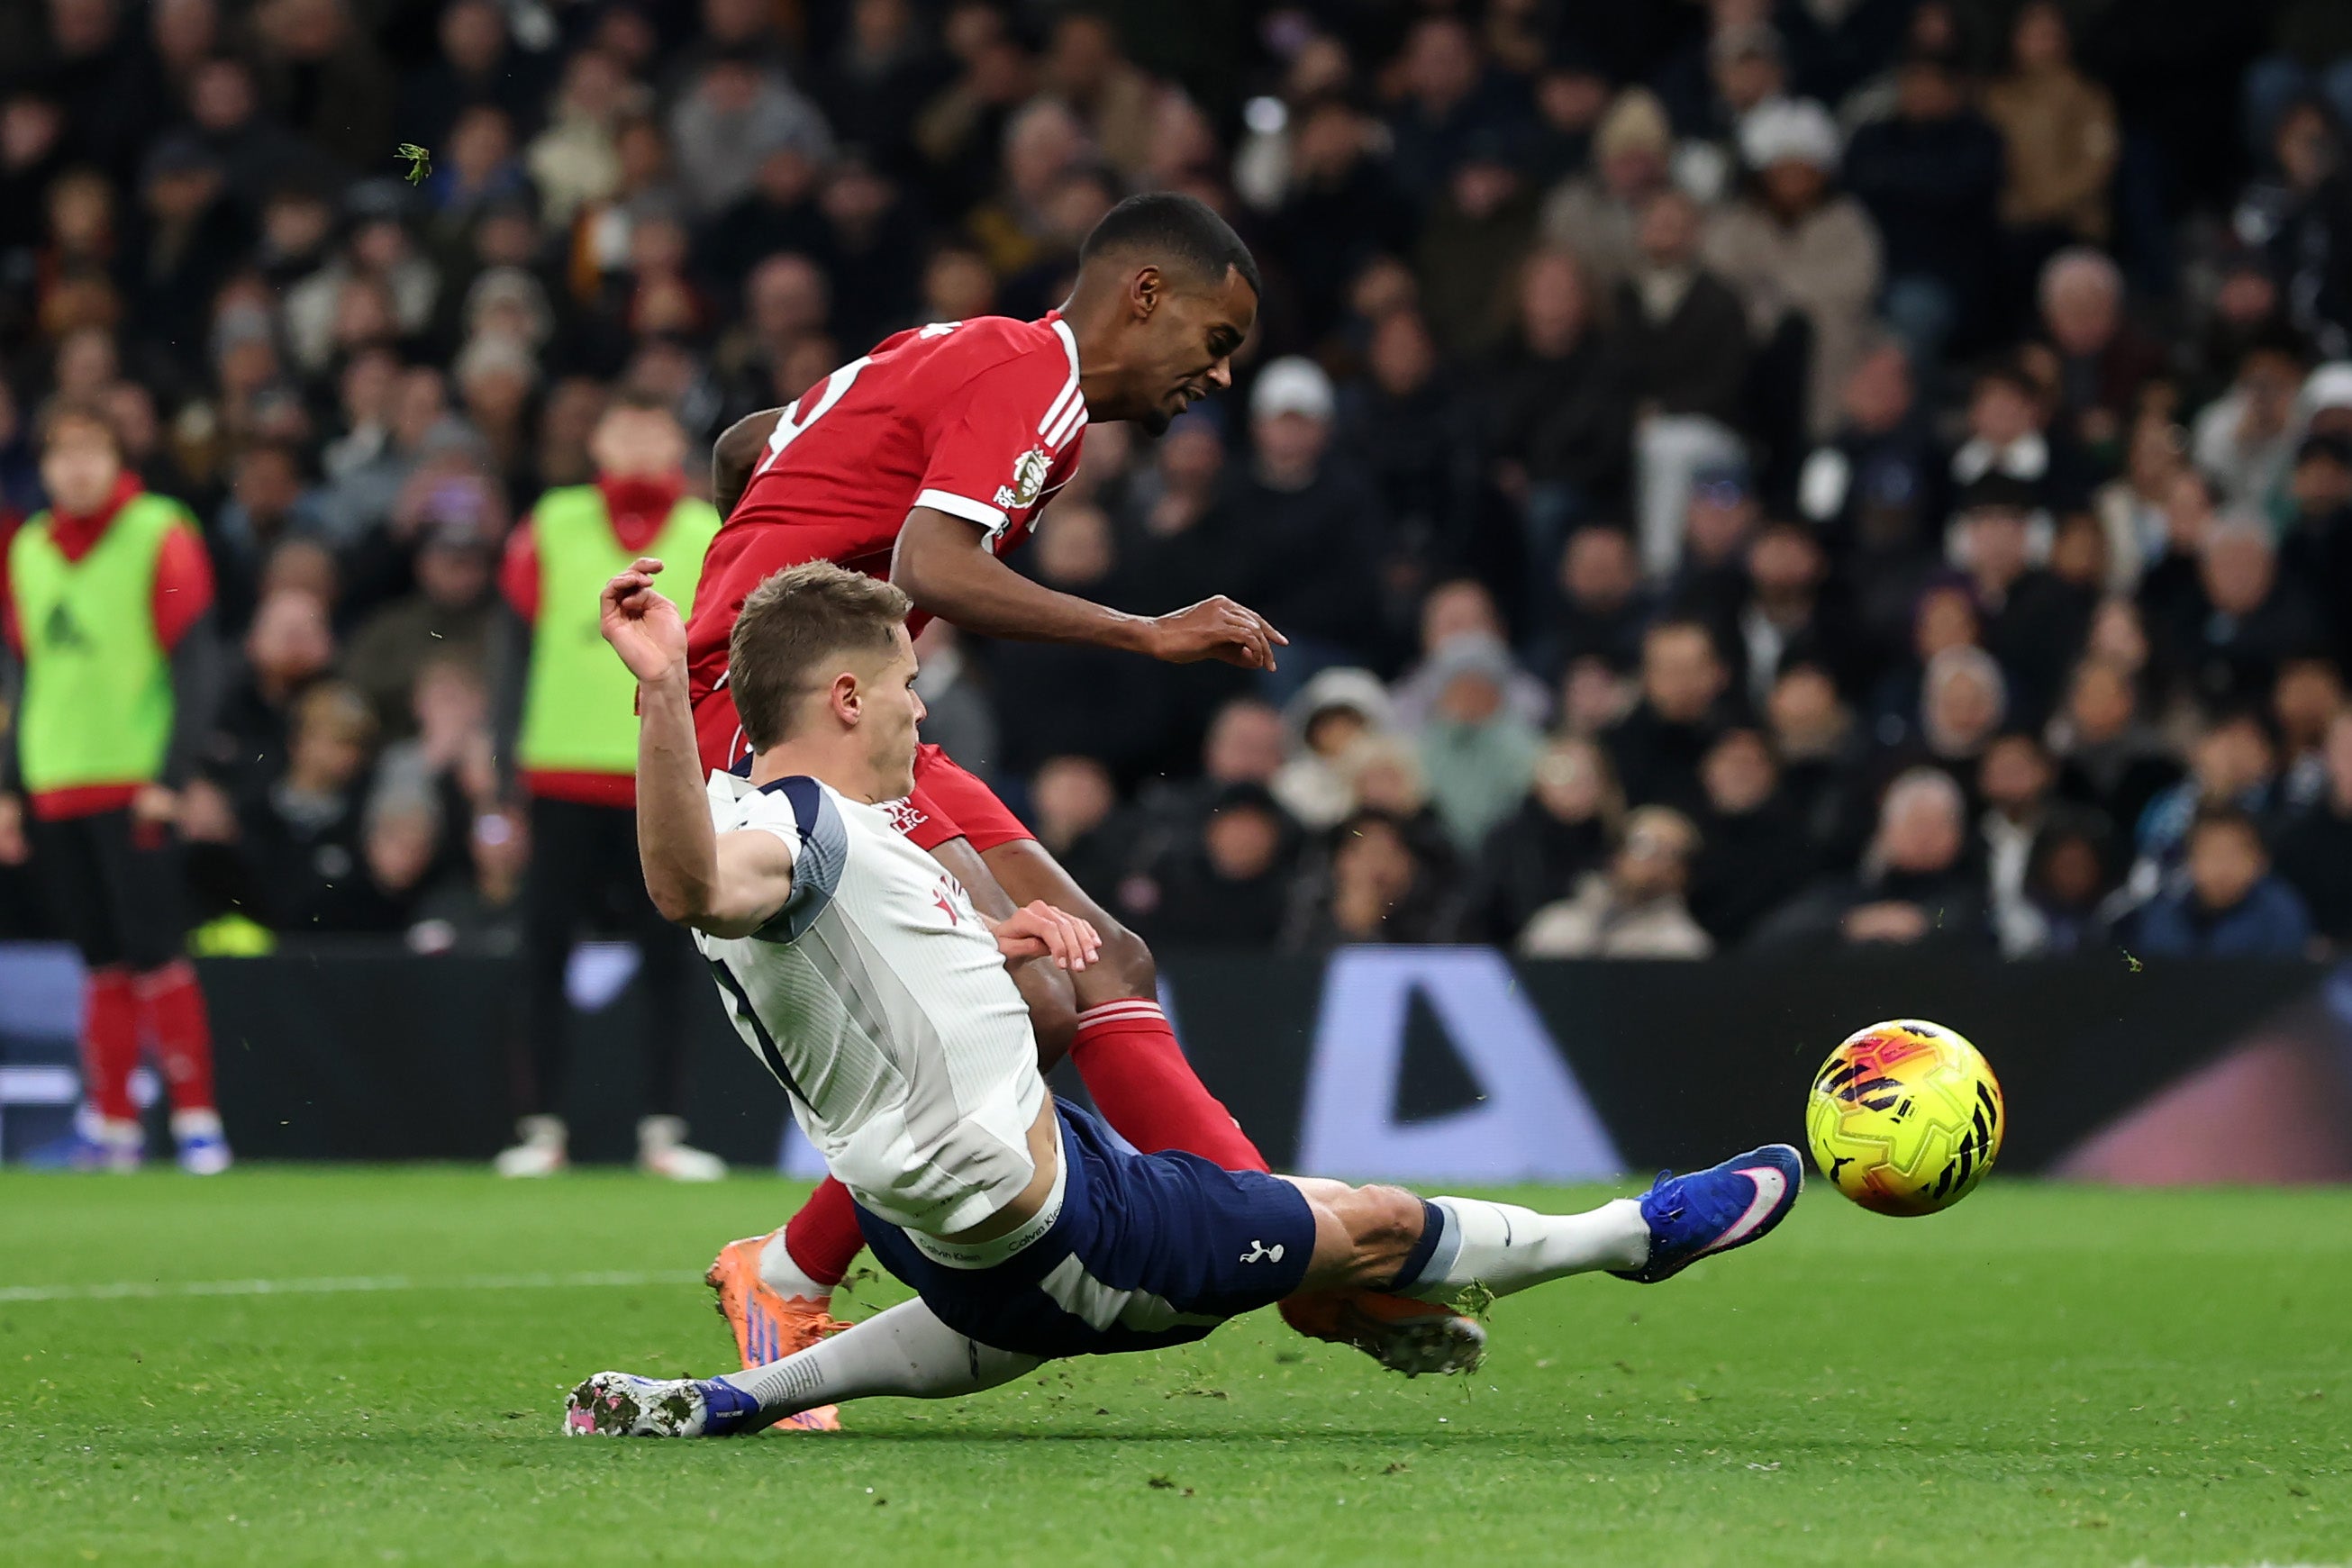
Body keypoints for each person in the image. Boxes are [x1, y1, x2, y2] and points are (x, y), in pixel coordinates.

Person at [564, 557, 1802, 1437]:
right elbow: (691, 888)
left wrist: (993, 939)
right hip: (1065, 1231)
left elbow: (834, 962)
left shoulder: (799, 819)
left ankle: (734, 1398)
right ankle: (1628, 1240)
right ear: (842, 699)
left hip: (947, 1217)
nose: (916, 704)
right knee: (1362, 1227)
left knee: (1044, 1299)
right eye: (899, 685)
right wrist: (664, 687)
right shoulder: (792, 825)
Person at [683, 195, 1442, 1401]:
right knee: (1026, 994)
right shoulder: (1033, 374)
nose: (1217, 376)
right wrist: (1145, 632)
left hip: (855, 706)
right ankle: (787, 1266)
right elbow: (933, 563)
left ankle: (1296, 1255)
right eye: (1214, 340)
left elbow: (744, 445)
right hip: (773, 720)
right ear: (1143, 293)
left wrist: (772, 549)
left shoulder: (961, 357)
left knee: (1105, 963)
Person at [489, 392, 728, 1180]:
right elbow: (511, 649)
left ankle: (665, 1128)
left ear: (674, 445)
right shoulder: (552, 522)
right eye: (621, 426)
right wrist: (500, 770)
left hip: (662, 773)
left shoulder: (704, 530)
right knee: (541, 956)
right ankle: (540, 1128)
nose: (634, 441)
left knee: (673, 954)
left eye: (651, 427)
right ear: (594, 441)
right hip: (558, 769)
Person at [0, 403, 230, 1174]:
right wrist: (8, 787)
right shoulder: (28, 547)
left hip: (134, 781)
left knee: (155, 951)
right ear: (45, 466)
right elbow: (22, 675)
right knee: (97, 959)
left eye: (91, 450)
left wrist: (172, 772)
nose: (77, 468)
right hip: (55, 782)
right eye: (63, 454)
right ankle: (116, 1126)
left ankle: (199, 1124)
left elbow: (194, 660)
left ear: (117, 457)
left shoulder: (158, 531)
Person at [1519, 804, 1712, 958]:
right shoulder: (1555, 924)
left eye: (1670, 854)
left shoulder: (1683, 948)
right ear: (1618, 854)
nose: (1655, 863)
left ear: (1683, 872)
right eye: (1643, 845)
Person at [2129, 804, 2313, 957]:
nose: (2223, 867)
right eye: (2212, 854)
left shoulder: (2281, 912)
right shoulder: (2164, 914)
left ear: (2259, 861)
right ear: (2191, 860)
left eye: (2234, 854)